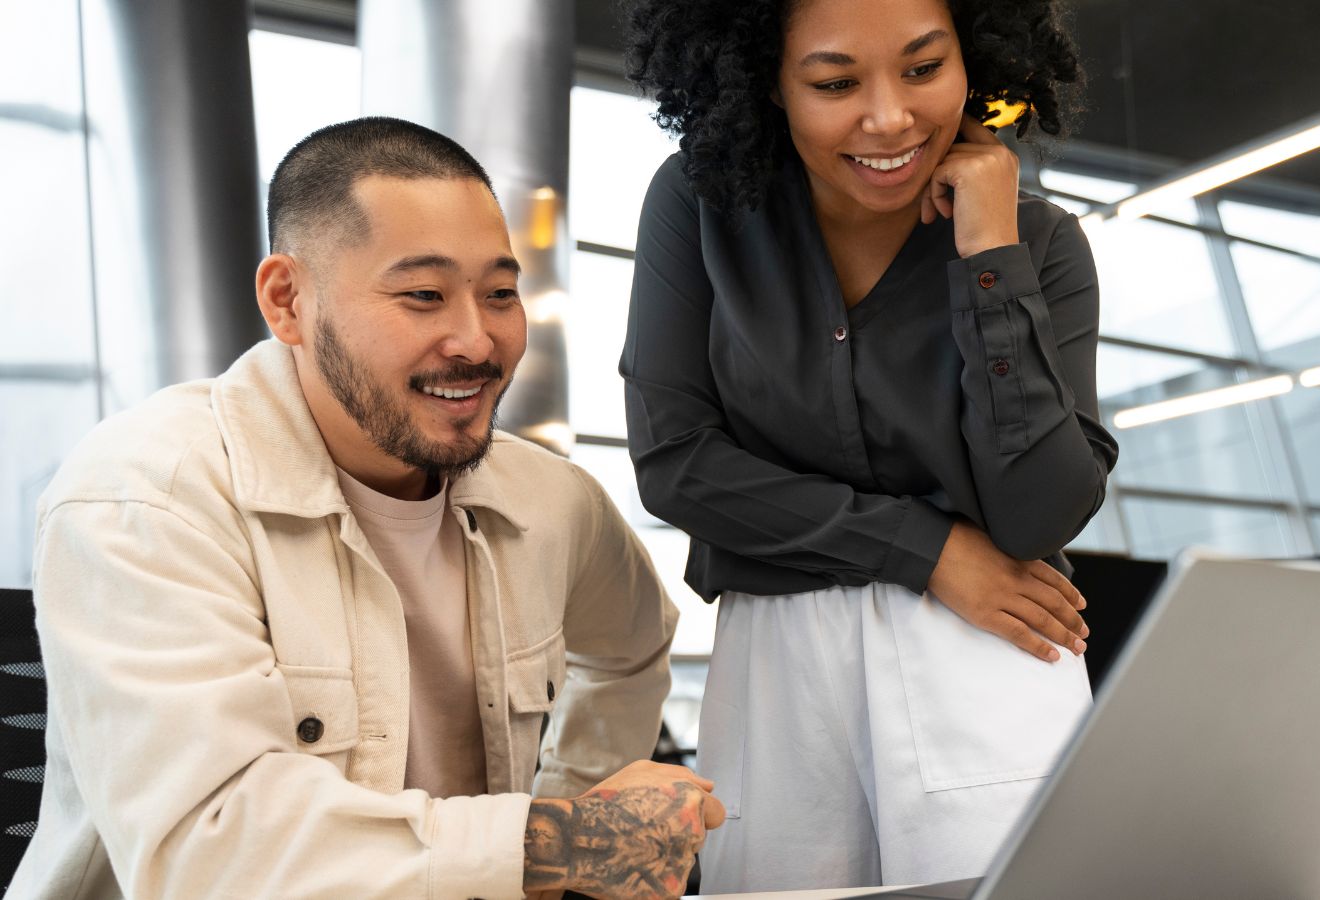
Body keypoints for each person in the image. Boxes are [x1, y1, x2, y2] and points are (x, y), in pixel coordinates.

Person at [12, 117, 722, 900]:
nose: (476, 340)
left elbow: (631, 644)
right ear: (288, 301)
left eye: (499, 294)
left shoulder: (551, 502)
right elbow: (210, 852)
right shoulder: (145, 496)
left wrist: (574, 830)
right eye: (423, 295)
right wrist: (556, 842)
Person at [622, 0, 1119, 891]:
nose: (889, 117)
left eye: (925, 69)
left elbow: (1040, 508)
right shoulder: (699, 204)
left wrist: (988, 257)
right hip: (782, 663)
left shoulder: (1040, 242)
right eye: (835, 82)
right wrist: (924, 550)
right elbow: (676, 462)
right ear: (766, 82)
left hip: (991, 647)